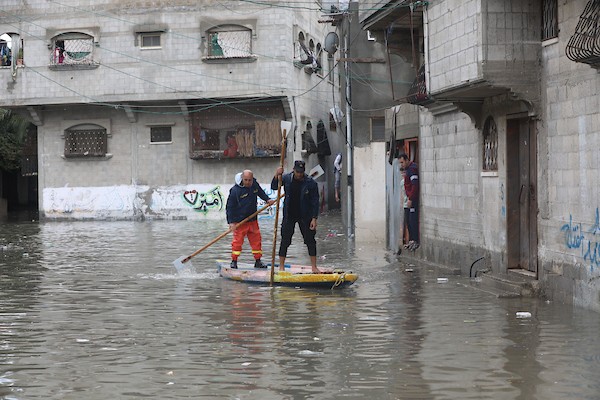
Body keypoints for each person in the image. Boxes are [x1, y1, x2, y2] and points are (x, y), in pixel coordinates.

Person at [272, 160, 321, 273]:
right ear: (293, 170)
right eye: (297, 172)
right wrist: (276, 174)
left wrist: (314, 218)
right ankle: (281, 267)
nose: (299, 174)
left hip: (305, 215)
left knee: (310, 240)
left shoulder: (311, 183)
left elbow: (315, 202)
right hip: (289, 214)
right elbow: (274, 186)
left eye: (301, 172)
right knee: (285, 240)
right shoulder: (286, 178)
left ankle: (314, 267)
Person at [226, 170, 275, 269]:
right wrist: (231, 222)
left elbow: (260, 192)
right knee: (237, 242)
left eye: (250, 180)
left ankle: (258, 261)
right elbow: (229, 207)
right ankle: (234, 261)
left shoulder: (254, 185)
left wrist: (267, 199)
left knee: (256, 241)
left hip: (252, 219)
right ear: (242, 179)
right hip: (239, 222)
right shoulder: (235, 190)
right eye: (246, 180)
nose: (248, 182)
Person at [398, 154, 419, 250]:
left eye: (402, 162)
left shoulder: (412, 169)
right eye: (400, 163)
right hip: (408, 200)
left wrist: (410, 198)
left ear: (406, 160)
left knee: (412, 221)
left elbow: (414, 186)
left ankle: (415, 241)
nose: (401, 165)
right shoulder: (408, 170)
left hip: (412, 200)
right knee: (409, 221)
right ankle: (411, 240)